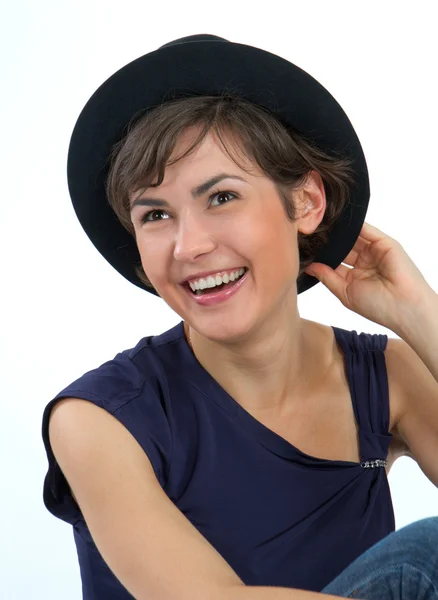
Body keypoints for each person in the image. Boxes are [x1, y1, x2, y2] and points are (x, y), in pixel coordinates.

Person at [42, 34, 438, 600]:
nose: (188, 246)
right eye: (155, 214)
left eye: (221, 197)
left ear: (305, 204)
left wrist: (421, 313)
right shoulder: (98, 418)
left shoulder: (384, 378)